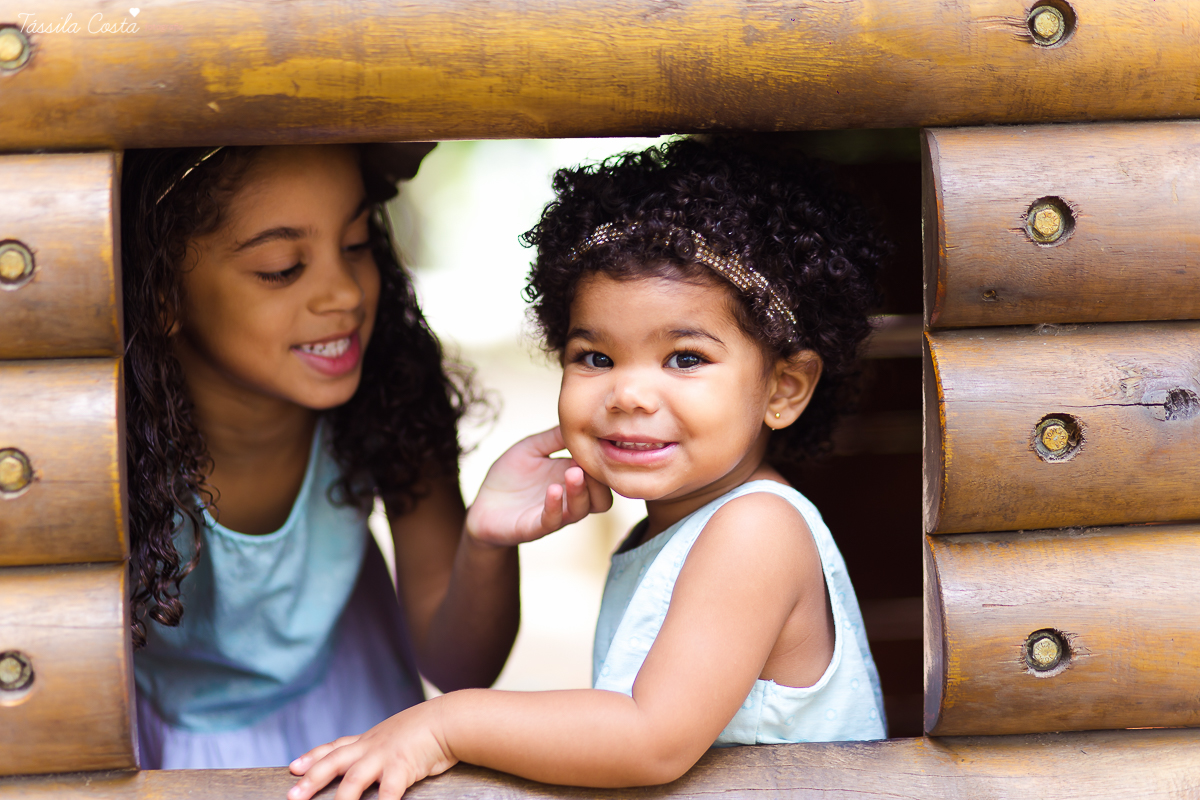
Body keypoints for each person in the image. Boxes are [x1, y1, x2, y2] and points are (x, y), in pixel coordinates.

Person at [287, 137, 889, 800]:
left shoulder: (756, 531)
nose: (627, 394)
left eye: (685, 358)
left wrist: (443, 727)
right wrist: (487, 541)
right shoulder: (680, 530)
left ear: (784, 389)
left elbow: (648, 738)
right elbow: (467, 669)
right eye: (595, 357)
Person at [122, 143, 610, 769]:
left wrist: (485, 542)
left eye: (356, 245)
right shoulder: (106, 442)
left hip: (358, 730)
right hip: (160, 748)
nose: (344, 293)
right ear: (161, 290)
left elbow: (459, 667)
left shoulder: (390, 396)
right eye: (281, 267)